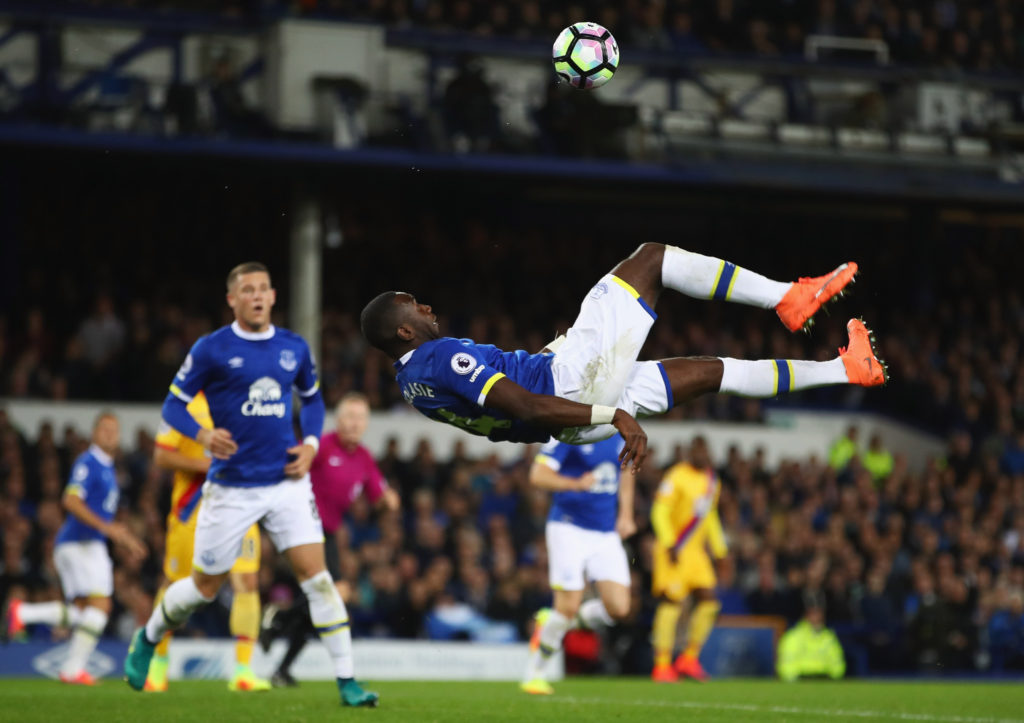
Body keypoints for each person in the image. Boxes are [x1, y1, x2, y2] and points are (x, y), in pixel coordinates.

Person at [360, 243, 886, 471]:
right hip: (568, 393)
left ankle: (844, 368)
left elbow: (508, 422)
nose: (427, 307)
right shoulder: (441, 356)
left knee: (710, 372)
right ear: (404, 330)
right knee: (653, 259)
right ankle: (789, 298)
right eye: (415, 306)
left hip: (571, 414)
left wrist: (554, 360)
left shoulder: (416, 388)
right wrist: (610, 411)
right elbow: (525, 406)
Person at [123, 262, 378, 708]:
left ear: (274, 296)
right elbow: (173, 405)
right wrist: (202, 435)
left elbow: (313, 398)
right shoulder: (211, 349)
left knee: (319, 580)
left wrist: (313, 443)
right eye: (247, 290)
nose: (257, 296)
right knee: (201, 589)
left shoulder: (293, 347)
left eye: (263, 288)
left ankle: (348, 682)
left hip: (286, 483)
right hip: (232, 487)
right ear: (233, 300)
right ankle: (148, 637)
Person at [260, 391, 400, 687]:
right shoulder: (322, 446)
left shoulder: (363, 458)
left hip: (330, 532)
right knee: (336, 593)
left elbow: (377, 495)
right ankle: (280, 627)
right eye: (349, 417)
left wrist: (389, 500)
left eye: (360, 418)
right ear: (338, 420)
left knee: (324, 600)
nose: (354, 423)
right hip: (306, 527)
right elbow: (291, 466)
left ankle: (282, 656)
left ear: (366, 424)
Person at [143, 390, 270, 693]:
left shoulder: (245, 401)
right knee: (176, 585)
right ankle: (158, 663)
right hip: (192, 512)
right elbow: (161, 455)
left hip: (239, 507)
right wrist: (207, 464)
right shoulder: (184, 407)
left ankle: (242, 670)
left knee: (247, 582)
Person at [7, 412, 146, 684]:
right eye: (104, 429)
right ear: (94, 433)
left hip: (86, 544)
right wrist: (107, 530)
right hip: (80, 543)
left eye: (114, 430)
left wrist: (126, 539)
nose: (110, 434)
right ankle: (72, 668)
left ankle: (23, 614)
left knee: (83, 613)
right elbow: (70, 500)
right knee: (101, 606)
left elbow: (104, 517)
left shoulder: (108, 469)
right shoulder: (89, 462)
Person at [520, 434, 636, 695]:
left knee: (618, 608)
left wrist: (626, 514)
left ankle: (557, 622)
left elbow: (627, 469)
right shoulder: (570, 432)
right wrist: (575, 483)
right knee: (568, 605)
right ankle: (535, 673)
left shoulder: (620, 431)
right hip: (568, 527)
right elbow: (538, 475)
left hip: (605, 532)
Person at [649, 435, 727, 682]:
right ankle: (662, 665)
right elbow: (659, 512)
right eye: (699, 451)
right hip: (673, 550)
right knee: (672, 605)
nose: (704, 456)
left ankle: (689, 658)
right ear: (690, 453)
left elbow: (710, 517)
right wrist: (670, 543)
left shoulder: (712, 481)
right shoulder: (676, 476)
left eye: (707, 451)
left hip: (696, 554)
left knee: (709, 602)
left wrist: (720, 550)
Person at [776, 591, 846, 681]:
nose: (817, 617)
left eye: (819, 613)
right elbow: (785, 666)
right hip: (800, 682)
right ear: (805, 615)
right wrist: (796, 679)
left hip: (825, 681)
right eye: (813, 613)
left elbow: (838, 664)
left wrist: (832, 678)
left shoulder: (829, 637)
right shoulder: (792, 637)